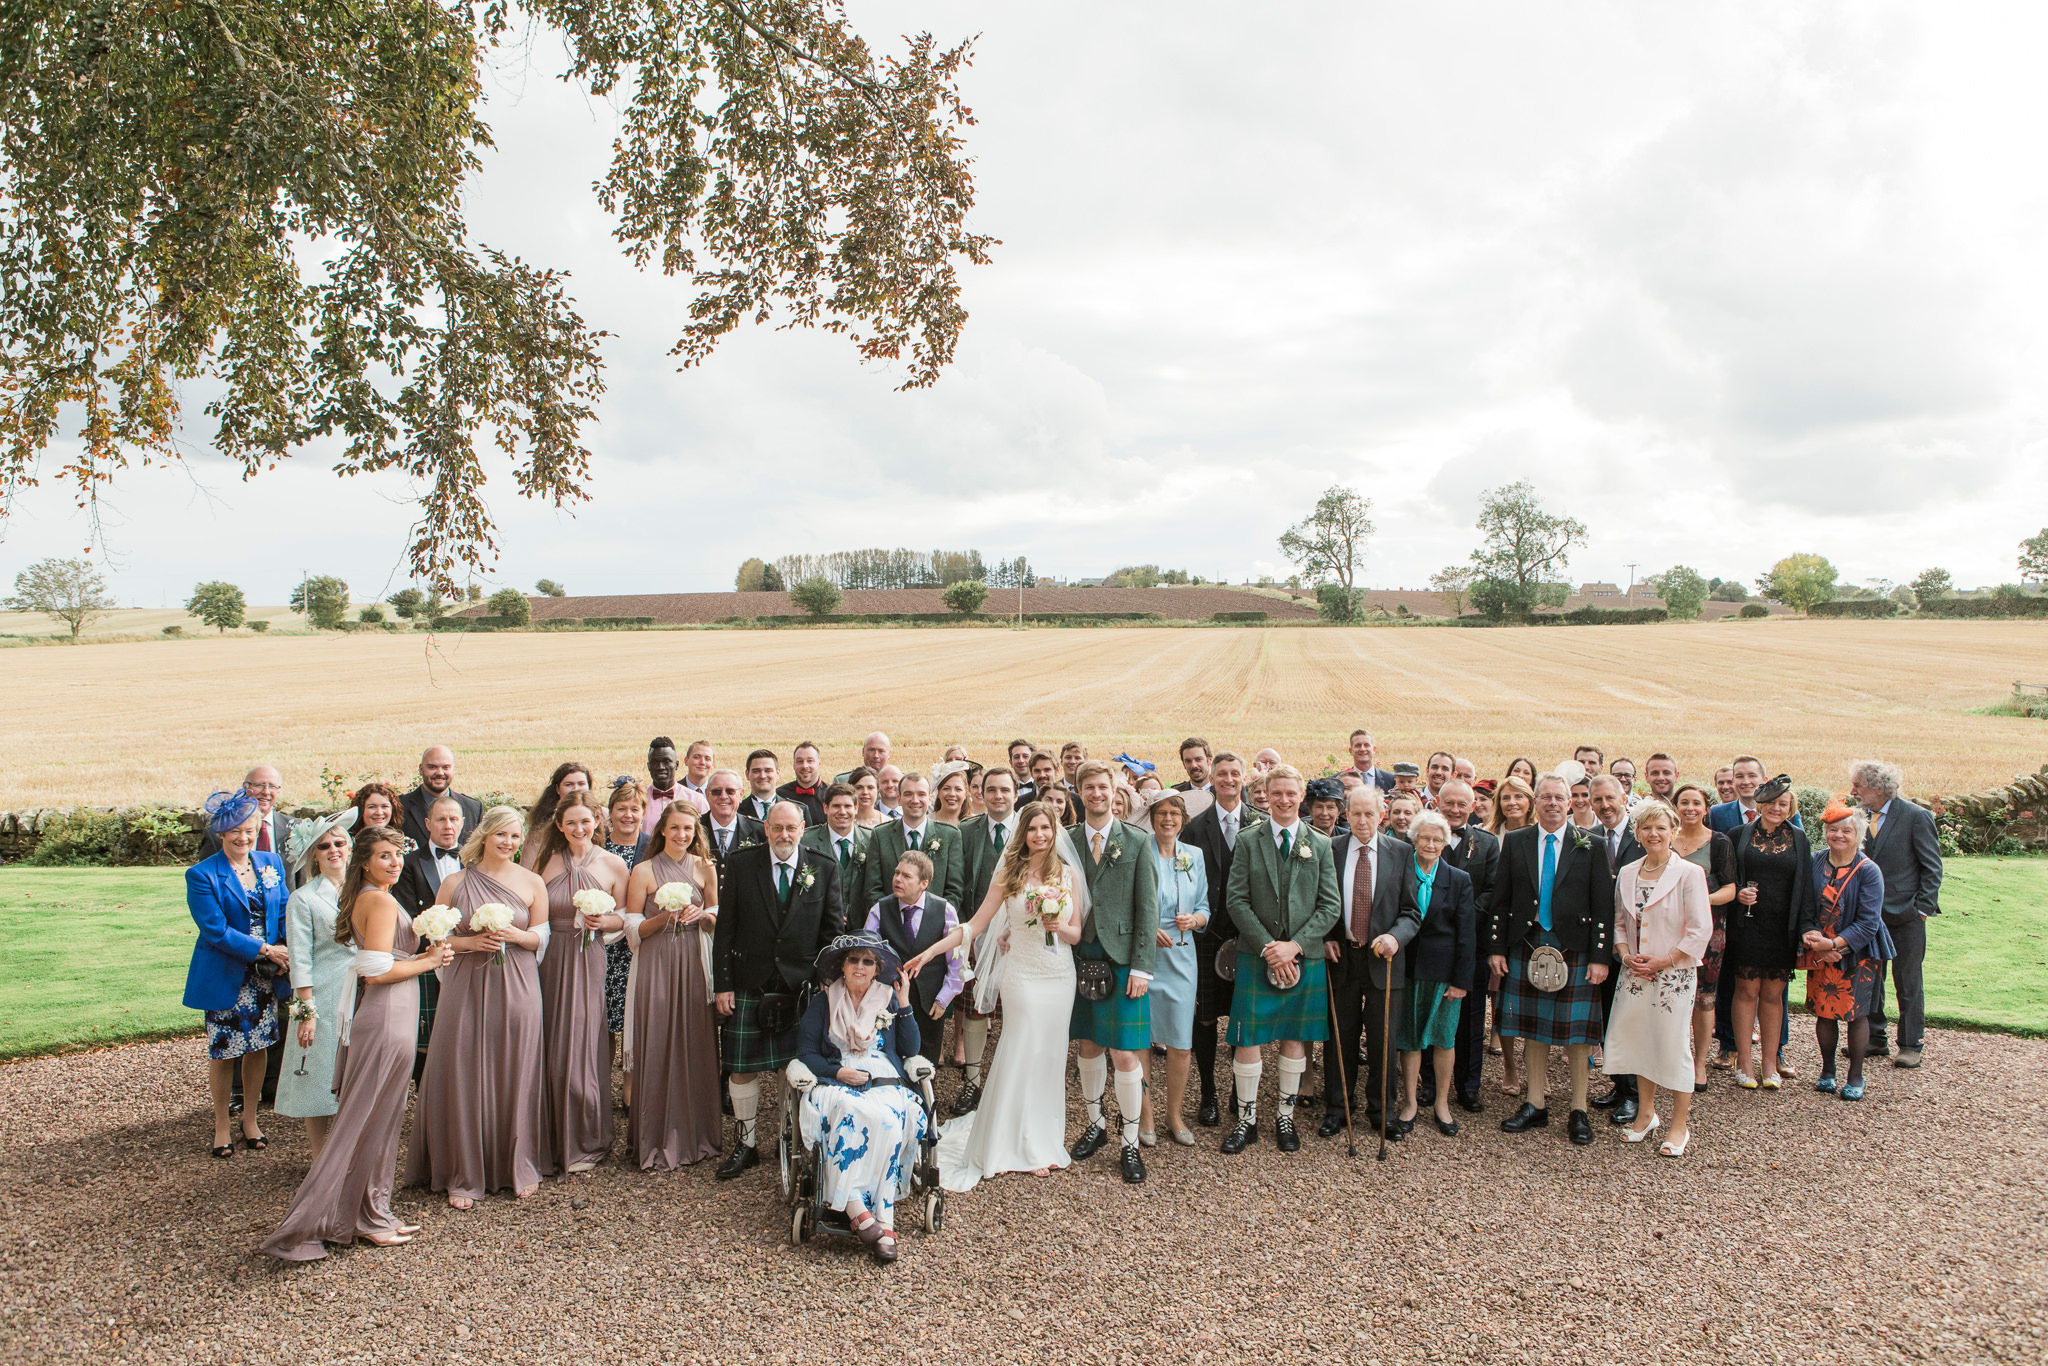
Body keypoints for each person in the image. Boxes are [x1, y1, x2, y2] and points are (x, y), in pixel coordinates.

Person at [262, 826, 454, 1259]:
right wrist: (427, 960)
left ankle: (374, 1211)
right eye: (384, 856)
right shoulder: (379, 900)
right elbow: (377, 972)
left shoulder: (371, 896)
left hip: (391, 1015)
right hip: (386, 1017)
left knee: (382, 1120)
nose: (394, 862)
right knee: (365, 1120)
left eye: (397, 854)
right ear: (364, 862)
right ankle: (341, 1217)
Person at [918, 803, 1084, 1189]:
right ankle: (1011, 1142)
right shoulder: (1010, 874)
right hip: (1023, 974)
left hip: (1060, 974)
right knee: (1021, 1047)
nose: (1040, 835)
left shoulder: (1069, 875)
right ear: (1023, 833)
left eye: (1046, 828)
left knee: (1050, 1054)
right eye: (1033, 829)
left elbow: (1076, 934)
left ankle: (1041, 1141)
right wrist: (931, 950)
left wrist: (1058, 926)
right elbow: (976, 924)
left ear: (1055, 831)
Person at [406, 805, 553, 1207]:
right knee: (464, 1067)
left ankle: (517, 1163)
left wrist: (514, 936)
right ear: (484, 836)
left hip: (518, 984)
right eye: (501, 835)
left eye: (515, 836)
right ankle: (463, 1170)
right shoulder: (455, 882)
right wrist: (472, 943)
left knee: (515, 1067)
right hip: (467, 985)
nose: (509, 843)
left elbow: (543, 938)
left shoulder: (533, 882)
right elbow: (437, 938)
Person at [711, 801, 844, 1179]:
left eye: (791, 828)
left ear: (803, 828)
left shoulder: (824, 866)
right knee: (740, 1070)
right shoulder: (739, 864)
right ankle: (746, 1143)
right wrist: (723, 984)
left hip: (800, 987)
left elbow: (832, 933)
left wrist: (825, 982)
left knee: (797, 1068)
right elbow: (726, 930)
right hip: (750, 981)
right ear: (765, 829)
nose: (784, 835)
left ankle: (794, 1140)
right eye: (777, 828)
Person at [1222, 766, 1346, 1155]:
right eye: (1277, 793)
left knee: (1294, 1039)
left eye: (1291, 794)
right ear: (1266, 795)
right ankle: (1247, 1120)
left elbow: (1330, 907)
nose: (1284, 800)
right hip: (1256, 954)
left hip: (1302, 956)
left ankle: (1285, 1116)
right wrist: (1267, 947)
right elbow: (1236, 900)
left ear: (1301, 798)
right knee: (1248, 1039)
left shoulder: (1320, 844)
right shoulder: (1247, 840)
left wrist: (1293, 946)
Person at [1489, 773, 1616, 1147]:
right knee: (1533, 1029)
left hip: (1574, 947)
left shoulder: (1591, 843)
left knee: (1578, 1035)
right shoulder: (1517, 841)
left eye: (1560, 797)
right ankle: (1535, 1103)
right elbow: (1501, 899)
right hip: (1527, 944)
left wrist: (1599, 956)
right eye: (1545, 797)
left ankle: (1579, 1109)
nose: (1553, 803)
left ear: (1572, 803)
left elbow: (1603, 905)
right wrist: (1497, 947)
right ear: (1536, 803)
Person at [794, 934, 928, 1264]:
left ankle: (882, 1219)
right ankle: (857, 1207)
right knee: (845, 1108)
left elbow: (911, 1049)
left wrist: (906, 1002)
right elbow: (807, 1052)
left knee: (887, 1119)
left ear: (877, 969)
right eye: (853, 960)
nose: (859, 966)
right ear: (842, 965)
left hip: (882, 1076)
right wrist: (838, 1073)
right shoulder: (823, 1002)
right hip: (836, 1074)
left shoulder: (889, 999)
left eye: (867, 961)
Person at [1061, 760, 1159, 1182]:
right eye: (1089, 788)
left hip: (1122, 962)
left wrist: (1142, 966)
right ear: (1079, 793)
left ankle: (1130, 1142)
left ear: (1115, 792)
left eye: (1103, 787)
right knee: (1087, 1046)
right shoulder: (1065, 841)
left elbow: (1148, 909)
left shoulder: (1136, 841)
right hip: (1078, 957)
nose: (1097, 794)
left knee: (1123, 1053)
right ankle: (1096, 1125)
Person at [187, 790, 293, 1158]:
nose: (243, 837)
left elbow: (281, 911)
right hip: (228, 974)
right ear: (221, 833)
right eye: (235, 831)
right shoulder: (202, 874)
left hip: (266, 974)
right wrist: (266, 949)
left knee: (259, 1047)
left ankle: (250, 1120)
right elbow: (214, 930)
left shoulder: (271, 862)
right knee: (224, 1051)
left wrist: (285, 948)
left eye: (249, 830)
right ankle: (220, 1124)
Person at [1605, 800, 1712, 1156]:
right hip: (1635, 973)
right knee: (1640, 1042)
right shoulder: (1628, 872)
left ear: (1673, 832)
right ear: (1637, 833)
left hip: (1673, 975)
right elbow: (1620, 923)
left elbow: (1700, 930)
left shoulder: (1689, 873)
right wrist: (1625, 956)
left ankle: (1679, 1124)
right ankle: (1646, 1114)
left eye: (1661, 828)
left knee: (1673, 1044)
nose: (1654, 834)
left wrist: (1664, 960)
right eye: (1647, 828)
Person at [533, 792, 630, 1173]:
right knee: (550, 1039)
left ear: (598, 822)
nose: (579, 828)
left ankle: (585, 1136)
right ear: (559, 825)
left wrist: (605, 922)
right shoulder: (544, 863)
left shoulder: (614, 865)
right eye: (571, 822)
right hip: (550, 958)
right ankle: (549, 1136)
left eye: (586, 821)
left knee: (585, 1039)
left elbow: (625, 917)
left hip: (590, 957)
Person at [624, 802, 724, 1169]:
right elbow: (632, 928)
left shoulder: (705, 868)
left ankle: (698, 1135)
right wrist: (663, 918)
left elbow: (717, 915)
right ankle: (654, 1136)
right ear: (662, 830)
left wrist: (704, 915)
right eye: (675, 828)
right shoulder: (644, 870)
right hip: (656, 964)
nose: (682, 835)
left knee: (696, 1041)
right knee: (658, 1040)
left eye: (688, 829)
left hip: (694, 964)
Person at [1321, 784, 1419, 1138]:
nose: (1362, 821)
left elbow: (1411, 912)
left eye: (1369, 814)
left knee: (1382, 1040)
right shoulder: (1329, 850)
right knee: (1339, 1036)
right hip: (1342, 957)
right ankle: (1337, 1107)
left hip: (1385, 960)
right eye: (1356, 813)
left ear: (1382, 815)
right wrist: (1326, 938)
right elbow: (1320, 904)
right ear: (1346, 814)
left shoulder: (1402, 853)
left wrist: (1396, 936)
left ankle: (1382, 1112)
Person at [1179, 751, 1260, 1127]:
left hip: (1249, 936)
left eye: (1234, 773)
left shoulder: (1261, 824)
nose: (1228, 779)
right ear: (1212, 778)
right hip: (1206, 936)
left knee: (1243, 1017)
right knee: (1206, 1018)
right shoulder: (1194, 828)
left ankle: (1238, 1092)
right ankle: (1209, 1091)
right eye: (1221, 774)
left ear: (1245, 778)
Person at [274, 810, 359, 1159]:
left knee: (356, 1073)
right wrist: (305, 1012)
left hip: (365, 993)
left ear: (351, 849)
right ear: (314, 855)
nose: (333, 850)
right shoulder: (304, 899)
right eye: (324, 846)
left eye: (340, 843)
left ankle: (350, 1151)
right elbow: (301, 961)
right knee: (319, 1076)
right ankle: (320, 1156)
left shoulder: (368, 890)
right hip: (322, 997)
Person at [1850, 760, 1943, 1068]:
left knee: (1908, 981)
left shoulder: (1916, 817)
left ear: (1879, 787)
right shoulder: (1858, 817)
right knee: (1869, 978)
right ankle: (1875, 1038)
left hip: (1906, 916)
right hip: (1868, 916)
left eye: (1858, 785)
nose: (1853, 791)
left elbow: (1932, 868)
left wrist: (1922, 911)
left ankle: (1910, 1043)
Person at [1802, 799, 1896, 1101]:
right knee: (1824, 1013)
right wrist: (1815, 939)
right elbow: (1803, 905)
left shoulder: (1869, 871)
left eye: (1846, 830)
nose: (1839, 835)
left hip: (1858, 953)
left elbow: (1869, 922)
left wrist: (1835, 945)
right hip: (1819, 949)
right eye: (1832, 829)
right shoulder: (1815, 861)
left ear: (1859, 834)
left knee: (1856, 1014)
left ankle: (1855, 1076)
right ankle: (1827, 1071)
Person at [1726, 776, 1816, 1090]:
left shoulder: (1800, 839)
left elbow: (1806, 887)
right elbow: (1727, 879)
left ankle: (1770, 1064)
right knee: (1747, 991)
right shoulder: (1738, 834)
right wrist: (1738, 893)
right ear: (1761, 804)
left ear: (1790, 806)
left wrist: (1807, 928)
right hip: (1747, 925)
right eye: (1772, 803)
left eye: (1783, 803)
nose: (1777, 808)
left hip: (1782, 928)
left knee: (1773, 995)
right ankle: (1745, 1063)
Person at [1394, 812, 1475, 1137]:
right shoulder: (1399, 873)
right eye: (1425, 838)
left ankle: (1442, 1102)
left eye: (1437, 839)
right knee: (1410, 1039)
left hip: (1444, 975)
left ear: (1445, 843)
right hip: (1406, 970)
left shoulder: (1458, 879)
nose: (1430, 844)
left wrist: (1461, 981)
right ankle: (1410, 1102)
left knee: (1443, 1038)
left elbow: (1466, 934)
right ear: (1414, 839)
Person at [1136, 791, 1207, 1148]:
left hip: (1182, 956)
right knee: (1142, 1039)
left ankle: (1174, 1114)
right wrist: (1148, 928)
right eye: (1161, 813)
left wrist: (1195, 919)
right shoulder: (1138, 852)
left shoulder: (1193, 856)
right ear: (1152, 818)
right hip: (1146, 956)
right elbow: (1129, 905)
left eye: (1174, 814)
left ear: (1183, 819)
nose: (1168, 819)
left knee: (1180, 1041)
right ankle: (1145, 1113)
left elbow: (1206, 905)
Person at [951, 767, 1019, 1114]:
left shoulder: (1031, 830)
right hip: (976, 936)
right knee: (975, 1008)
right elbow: (958, 884)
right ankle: (973, 1083)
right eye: (991, 789)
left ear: (1016, 794)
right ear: (981, 794)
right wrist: (968, 934)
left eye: (1004, 790)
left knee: (1017, 1011)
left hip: (1020, 938)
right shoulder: (966, 831)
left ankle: (1011, 1087)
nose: (997, 796)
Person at [1436, 782, 1500, 1113]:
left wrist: (1463, 917)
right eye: (1449, 803)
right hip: (1430, 942)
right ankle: (1430, 1085)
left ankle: (1469, 1085)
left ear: (1472, 805)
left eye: (1463, 804)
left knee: (1472, 1017)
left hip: (1471, 942)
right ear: (1437, 802)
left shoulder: (1487, 844)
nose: (1455, 809)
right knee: (1431, 1012)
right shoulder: (1423, 837)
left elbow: (1491, 889)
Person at [1670, 784, 1737, 1089]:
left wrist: (1698, 900)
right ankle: (1671, 1058)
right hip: (1668, 929)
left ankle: (1699, 1065)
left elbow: (1730, 889)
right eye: (1684, 803)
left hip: (1709, 932)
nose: (1690, 808)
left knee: (1704, 998)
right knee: (1669, 994)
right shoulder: (1664, 837)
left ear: (1706, 808)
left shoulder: (1719, 842)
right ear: (1676, 807)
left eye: (1696, 803)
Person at [1588, 774, 1645, 1124]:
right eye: (1598, 801)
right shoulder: (1589, 839)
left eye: (1610, 798)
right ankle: (1619, 1084)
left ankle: (1636, 1094)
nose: (1605, 806)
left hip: (1638, 942)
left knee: (1633, 1021)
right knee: (1608, 1019)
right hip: (1602, 942)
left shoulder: (1642, 836)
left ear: (1624, 796)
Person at [864, 850, 962, 1026]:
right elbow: (867, 954)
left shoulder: (945, 911)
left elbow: (956, 961)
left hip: (930, 1003)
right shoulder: (879, 910)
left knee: (927, 1053)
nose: (898, 879)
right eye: (897, 873)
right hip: (888, 1003)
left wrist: (943, 999)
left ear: (923, 883)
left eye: (906, 876)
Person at [858, 772, 966, 916]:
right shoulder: (880, 835)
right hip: (891, 925)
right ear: (899, 799)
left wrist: (936, 918)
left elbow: (955, 889)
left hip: (935, 925)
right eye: (908, 794)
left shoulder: (950, 835)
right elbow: (873, 888)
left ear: (930, 799)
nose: (915, 800)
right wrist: (891, 919)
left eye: (921, 794)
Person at [198, 765, 289, 859]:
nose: (266, 792)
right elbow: (206, 871)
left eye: (272, 786)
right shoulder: (217, 832)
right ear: (245, 786)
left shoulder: (293, 828)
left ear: (279, 790)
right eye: (259, 785)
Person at [401, 745, 482, 848]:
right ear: (421, 769)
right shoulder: (400, 807)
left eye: (445, 767)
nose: (439, 773)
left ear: (454, 770)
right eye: (432, 767)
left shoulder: (474, 809)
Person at [522, 762, 593, 867]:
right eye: (569, 784)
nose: (575, 789)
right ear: (557, 789)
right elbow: (528, 865)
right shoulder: (543, 822)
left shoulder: (603, 815)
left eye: (581, 784)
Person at [801, 782, 873, 886]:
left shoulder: (871, 839)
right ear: (825, 808)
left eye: (847, 806)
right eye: (836, 806)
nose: (842, 812)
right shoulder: (806, 840)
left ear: (856, 808)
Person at [642, 736, 707, 836]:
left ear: (676, 765)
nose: (660, 767)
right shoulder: (638, 799)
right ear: (649, 766)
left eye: (666, 761)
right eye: (655, 762)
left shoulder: (697, 800)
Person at [702, 769, 764, 867]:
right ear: (707, 794)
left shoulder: (759, 831)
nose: (723, 796)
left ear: (741, 795)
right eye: (716, 792)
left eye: (730, 791)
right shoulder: (694, 828)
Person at [776, 741, 829, 826]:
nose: (804, 766)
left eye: (810, 761)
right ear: (794, 765)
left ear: (819, 764)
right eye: (800, 761)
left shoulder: (832, 795)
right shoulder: (779, 795)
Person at [741, 749, 781, 822]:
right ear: (747, 774)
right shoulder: (736, 811)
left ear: (777, 773)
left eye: (768, 770)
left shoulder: (797, 809)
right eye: (756, 771)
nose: (762, 776)